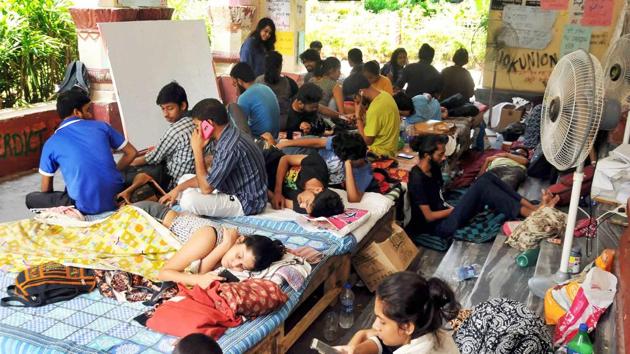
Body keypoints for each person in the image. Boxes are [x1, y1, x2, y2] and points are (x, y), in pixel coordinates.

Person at [406, 135, 559, 238]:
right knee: (483, 187)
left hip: (449, 209)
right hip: (441, 225)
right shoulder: (417, 179)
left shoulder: (432, 168)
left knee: (487, 177)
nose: (444, 158)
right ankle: (534, 214)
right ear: (427, 156)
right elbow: (429, 216)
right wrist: (455, 209)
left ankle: (535, 208)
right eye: (440, 155)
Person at [26, 89, 137, 214]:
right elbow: (131, 152)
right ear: (77, 112)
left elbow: (46, 189)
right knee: (132, 171)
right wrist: (114, 171)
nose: (90, 115)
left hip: (83, 207)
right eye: (88, 110)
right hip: (116, 195)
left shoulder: (51, 143)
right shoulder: (102, 126)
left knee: (31, 199)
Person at [133, 200, 285, 288]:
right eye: (239, 256)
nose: (234, 264)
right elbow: (164, 273)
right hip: (146, 217)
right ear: (240, 239)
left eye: (242, 266)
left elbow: (202, 269)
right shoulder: (209, 237)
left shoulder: (229, 246)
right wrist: (198, 280)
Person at [159, 99, 267, 217]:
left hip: (246, 202)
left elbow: (206, 188)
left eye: (196, 126)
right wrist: (177, 189)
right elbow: (211, 176)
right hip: (234, 188)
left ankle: (184, 202)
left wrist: (197, 150)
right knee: (185, 180)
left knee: (188, 201)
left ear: (208, 124)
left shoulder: (228, 146)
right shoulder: (229, 134)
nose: (196, 131)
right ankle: (178, 196)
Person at [337, 272, 460, 354]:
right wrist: (355, 349)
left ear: (407, 327)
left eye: (382, 321)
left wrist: (359, 338)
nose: (375, 326)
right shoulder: (425, 326)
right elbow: (382, 341)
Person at [128, 81, 202, 191]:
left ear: (183, 105)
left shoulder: (176, 130)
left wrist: (129, 163)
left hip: (176, 184)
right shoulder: (196, 119)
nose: (165, 114)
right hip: (196, 177)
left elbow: (152, 158)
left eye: (170, 108)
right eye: (163, 108)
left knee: (131, 174)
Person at [275, 131, 373, 202]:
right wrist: (286, 143)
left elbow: (353, 199)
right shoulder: (343, 143)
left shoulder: (364, 172)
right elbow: (317, 142)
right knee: (277, 155)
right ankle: (272, 142)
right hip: (308, 152)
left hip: (311, 170)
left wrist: (348, 164)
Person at [267, 151, 345, 217]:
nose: (301, 206)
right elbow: (285, 159)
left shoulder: (312, 208)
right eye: (307, 203)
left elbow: (276, 201)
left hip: (263, 180)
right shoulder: (317, 166)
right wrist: (278, 191)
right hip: (268, 159)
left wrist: (263, 188)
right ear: (317, 189)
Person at [343, 73, 400, 159]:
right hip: (389, 150)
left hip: (378, 154)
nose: (355, 101)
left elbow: (367, 141)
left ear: (360, 92)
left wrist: (358, 118)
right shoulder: (384, 95)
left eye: (354, 98)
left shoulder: (375, 108)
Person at [230, 62, 280, 139]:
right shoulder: (266, 88)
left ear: (239, 81)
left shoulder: (244, 97)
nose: (234, 87)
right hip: (275, 136)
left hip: (261, 139)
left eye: (234, 83)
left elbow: (240, 125)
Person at [255, 51, 298, 132]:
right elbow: (297, 107)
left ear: (265, 66)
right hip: (284, 126)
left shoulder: (257, 82)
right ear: (280, 66)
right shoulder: (289, 83)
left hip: (261, 126)